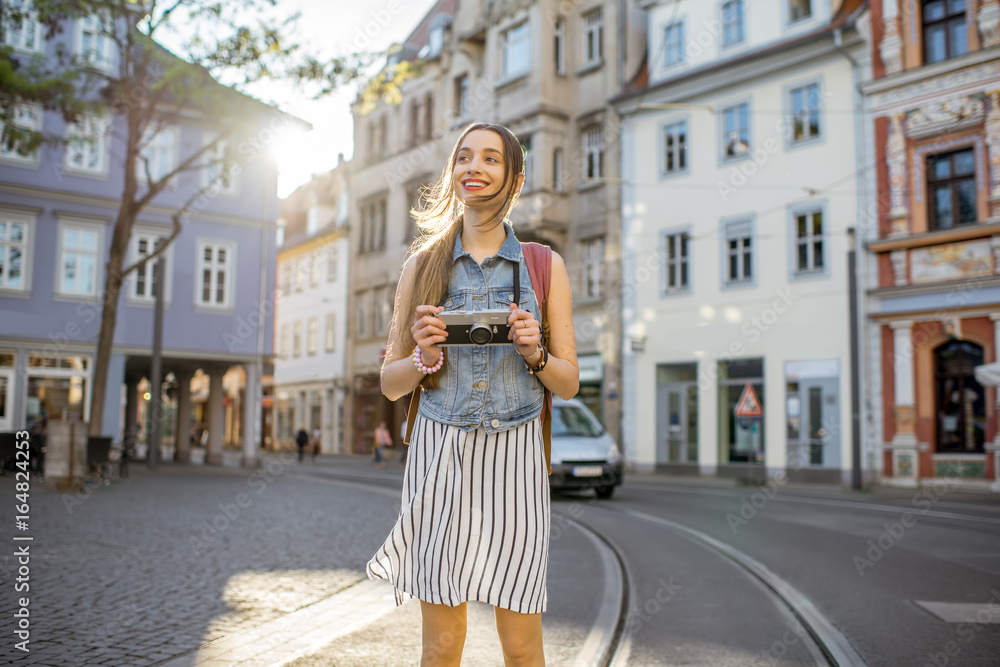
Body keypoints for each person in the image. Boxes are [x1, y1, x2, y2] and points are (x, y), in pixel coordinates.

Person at [365, 123, 579, 667]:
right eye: (463, 158)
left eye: (490, 159)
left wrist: (535, 354)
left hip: (518, 456)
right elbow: (391, 385)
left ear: (514, 177)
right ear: (453, 174)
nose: (473, 168)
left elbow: (569, 382)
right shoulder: (423, 266)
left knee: (523, 642)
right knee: (441, 643)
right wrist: (423, 357)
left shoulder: (543, 266)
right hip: (440, 455)